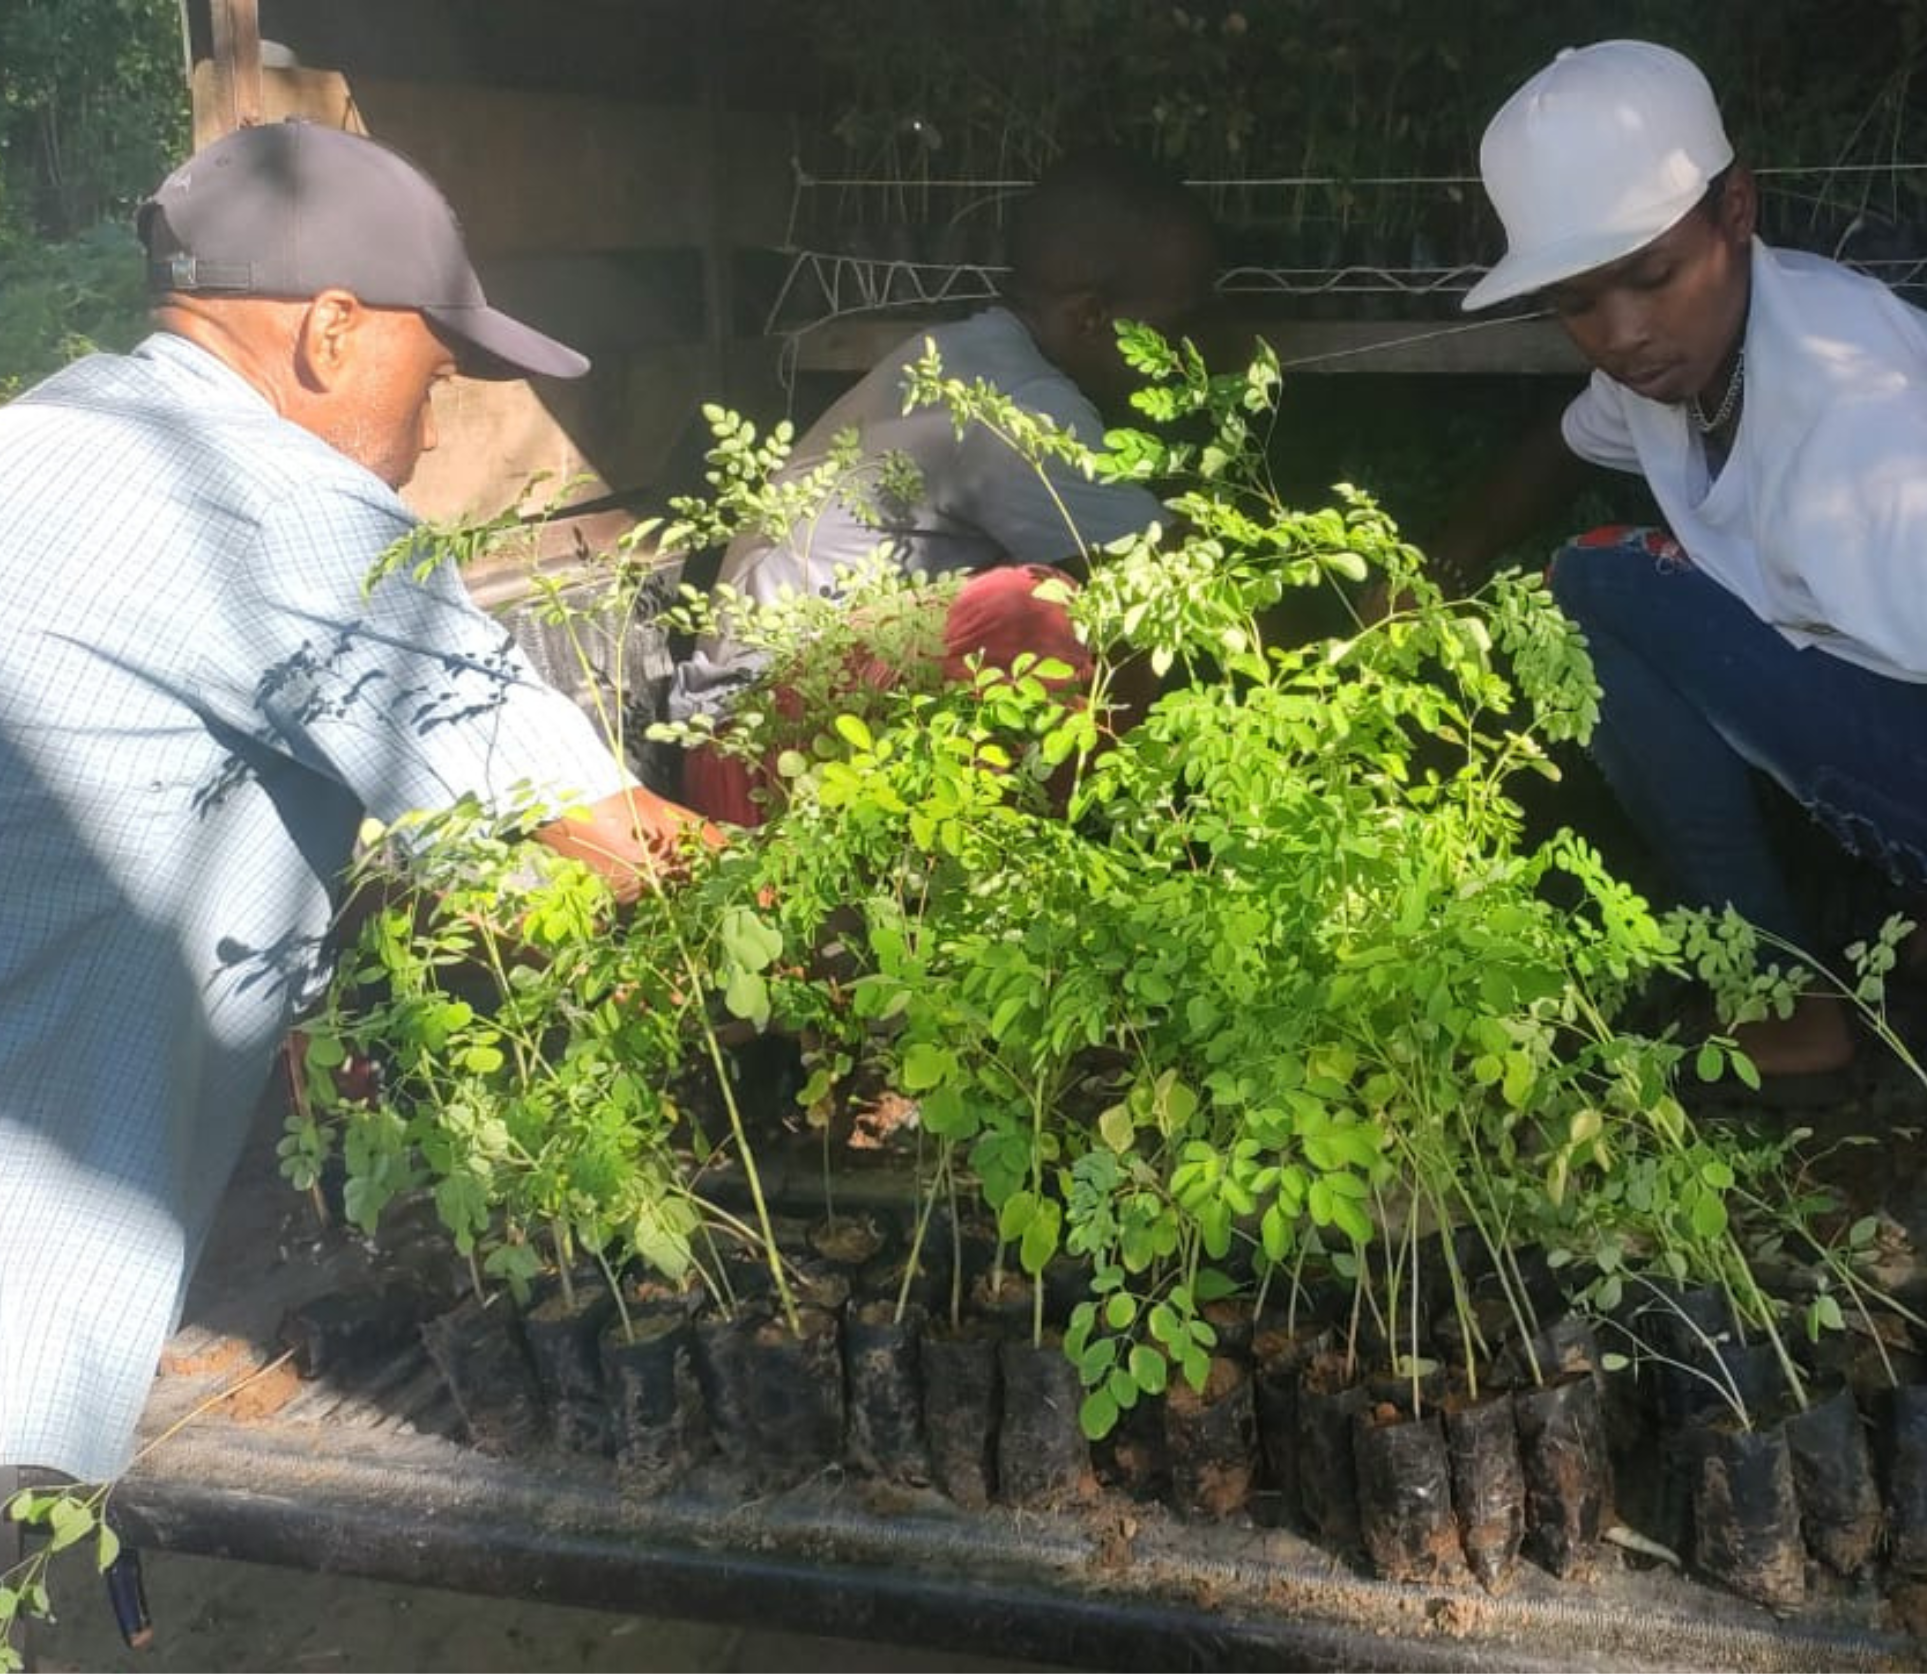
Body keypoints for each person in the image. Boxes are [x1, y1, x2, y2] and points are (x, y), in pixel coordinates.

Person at [1431, 40, 1927, 1289]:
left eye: (1647, 277)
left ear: (1735, 209)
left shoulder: (1846, 421)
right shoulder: (1701, 340)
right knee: (1622, 561)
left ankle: (1786, 1008)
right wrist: (1429, 562)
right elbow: (1565, 431)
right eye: (1579, 300)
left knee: (1592, 585)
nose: (1622, 335)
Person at [0, 119, 713, 1491]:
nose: (425, 438)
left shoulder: (42, 438)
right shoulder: (262, 501)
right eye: (431, 378)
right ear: (331, 330)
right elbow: (618, 849)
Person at [669, 149, 1220, 823]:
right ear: (1090, 316)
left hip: (788, 731)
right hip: (755, 753)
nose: (1187, 355)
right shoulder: (1015, 397)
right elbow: (1176, 584)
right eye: (1175, 328)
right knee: (1036, 612)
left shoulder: (974, 353)